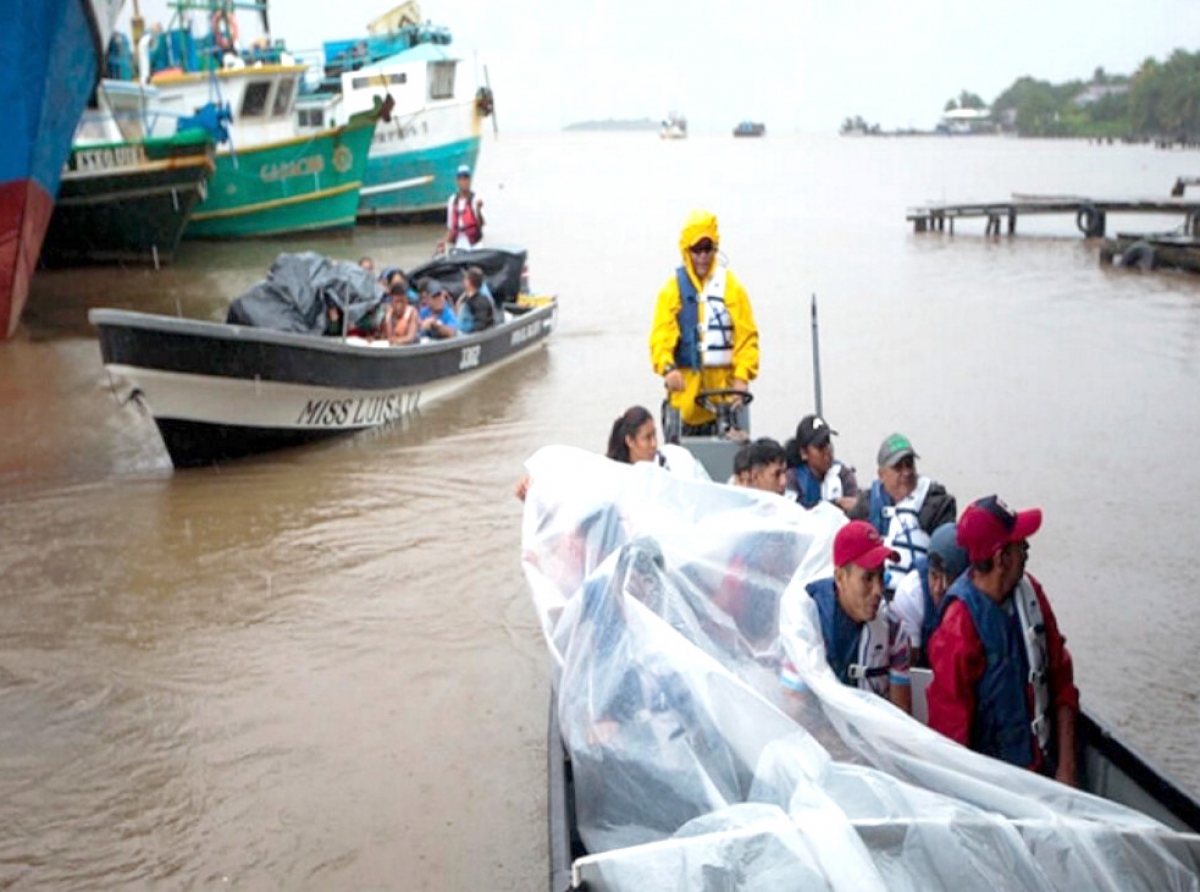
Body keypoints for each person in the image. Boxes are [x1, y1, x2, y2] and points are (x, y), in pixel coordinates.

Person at [926, 496, 1078, 785]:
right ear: (1001, 559)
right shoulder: (957, 627)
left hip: (1045, 773)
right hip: (996, 787)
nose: (1026, 550)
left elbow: (1062, 683)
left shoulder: (1031, 593)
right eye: (1021, 545)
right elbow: (950, 735)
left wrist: (1067, 770)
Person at [780, 521, 911, 713]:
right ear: (840, 578)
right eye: (867, 578)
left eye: (881, 576)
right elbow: (794, 712)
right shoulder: (807, 627)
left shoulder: (893, 630)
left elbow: (902, 711)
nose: (878, 590)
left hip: (872, 737)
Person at [649, 210, 759, 434]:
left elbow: (747, 338)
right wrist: (668, 369)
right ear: (687, 251)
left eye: (708, 249)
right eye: (696, 250)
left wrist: (742, 377)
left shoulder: (732, 288)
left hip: (726, 402)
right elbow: (660, 338)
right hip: (685, 405)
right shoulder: (671, 292)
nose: (702, 256)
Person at [847, 432, 956, 587]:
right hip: (876, 594)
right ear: (881, 475)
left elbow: (948, 558)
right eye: (898, 467)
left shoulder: (935, 504)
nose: (907, 472)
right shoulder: (866, 506)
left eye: (909, 464)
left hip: (918, 598)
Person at [888, 522, 968, 668]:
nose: (939, 588)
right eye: (934, 576)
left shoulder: (976, 592)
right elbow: (908, 669)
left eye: (949, 580)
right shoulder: (911, 592)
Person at [784, 414, 859, 512]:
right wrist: (836, 504)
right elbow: (792, 513)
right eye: (820, 446)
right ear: (804, 453)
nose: (827, 451)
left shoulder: (842, 474)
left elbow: (856, 508)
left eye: (828, 443)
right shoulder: (793, 479)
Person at [440, 164, 484, 253]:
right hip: (459, 245)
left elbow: (481, 224)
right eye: (461, 179)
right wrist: (444, 243)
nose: (464, 182)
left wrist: (479, 210)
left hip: (474, 245)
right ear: (457, 181)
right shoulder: (452, 200)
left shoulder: (476, 198)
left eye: (466, 178)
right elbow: (451, 228)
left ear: (470, 180)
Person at [457, 266, 495, 334]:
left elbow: (481, 323)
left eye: (466, 279)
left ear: (469, 282)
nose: (463, 280)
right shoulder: (468, 297)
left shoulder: (481, 301)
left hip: (469, 337)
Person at [380, 280, 419, 345]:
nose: (399, 306)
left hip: (411, 344)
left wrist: (396, 341)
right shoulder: (387, 312)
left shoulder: (412, 312)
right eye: (397, 302)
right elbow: (385, 336)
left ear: (407, 300)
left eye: (402, 301)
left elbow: (411, 337)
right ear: (391, 301)